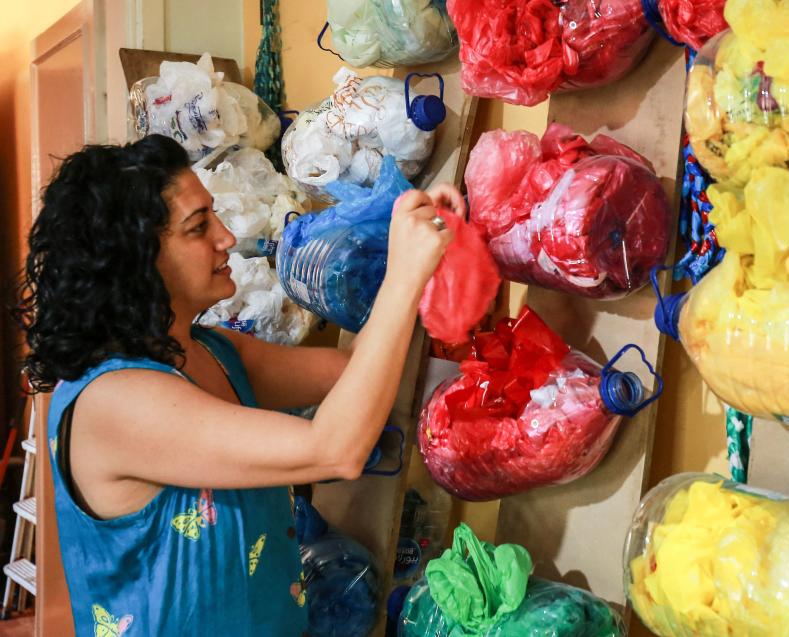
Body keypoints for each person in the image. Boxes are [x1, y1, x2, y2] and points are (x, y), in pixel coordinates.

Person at [13, 134, 465, 636]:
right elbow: (336, 449)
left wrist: (407, 241)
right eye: (198, 227)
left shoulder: (211, 350)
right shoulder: (115, 401)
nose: (226, 237)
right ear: (134, 259)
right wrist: (403, 276)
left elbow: (354, 372)